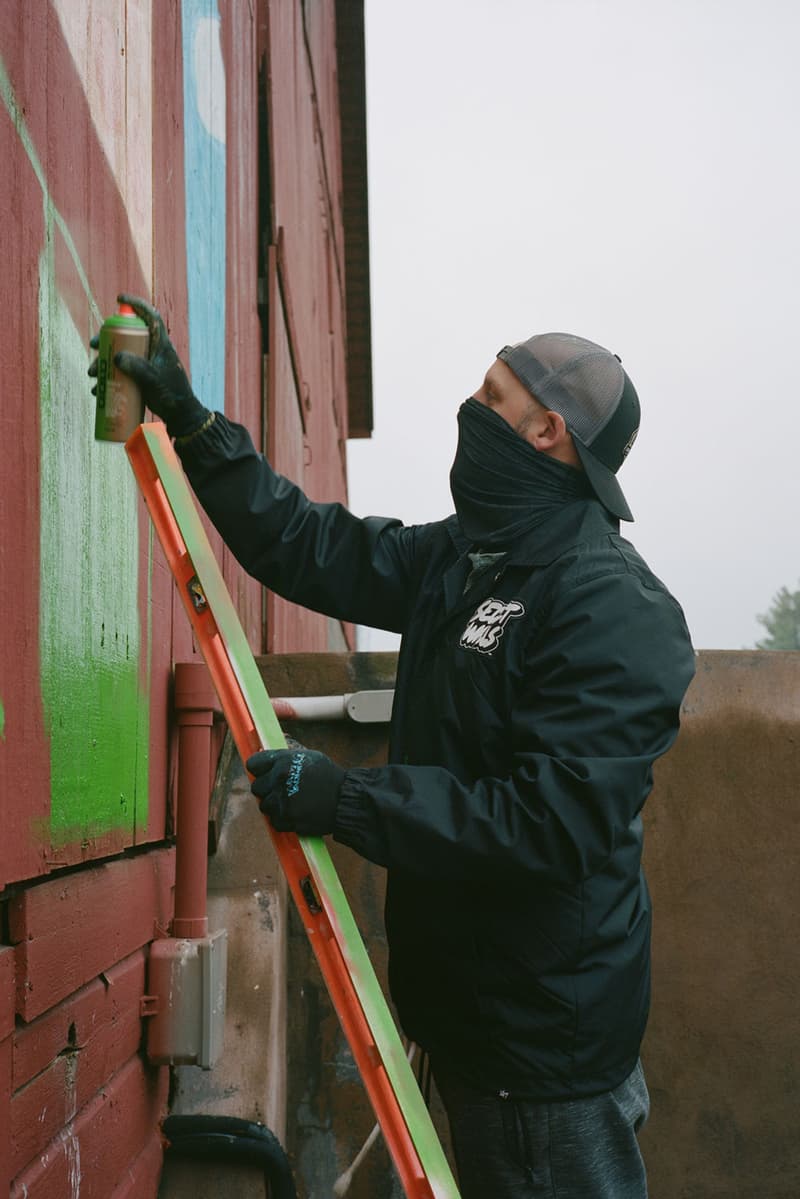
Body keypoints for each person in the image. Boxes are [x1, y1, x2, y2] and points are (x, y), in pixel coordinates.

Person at [92, 295, 696, 1198]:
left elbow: (548, 825)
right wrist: (192, 420)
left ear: (547, 434)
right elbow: (311, 547)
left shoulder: (611, 605)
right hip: (472, 1029)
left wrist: (348, 800)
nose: (469, 410)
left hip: (543, 1065)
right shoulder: (469, 557)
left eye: (491, 399)